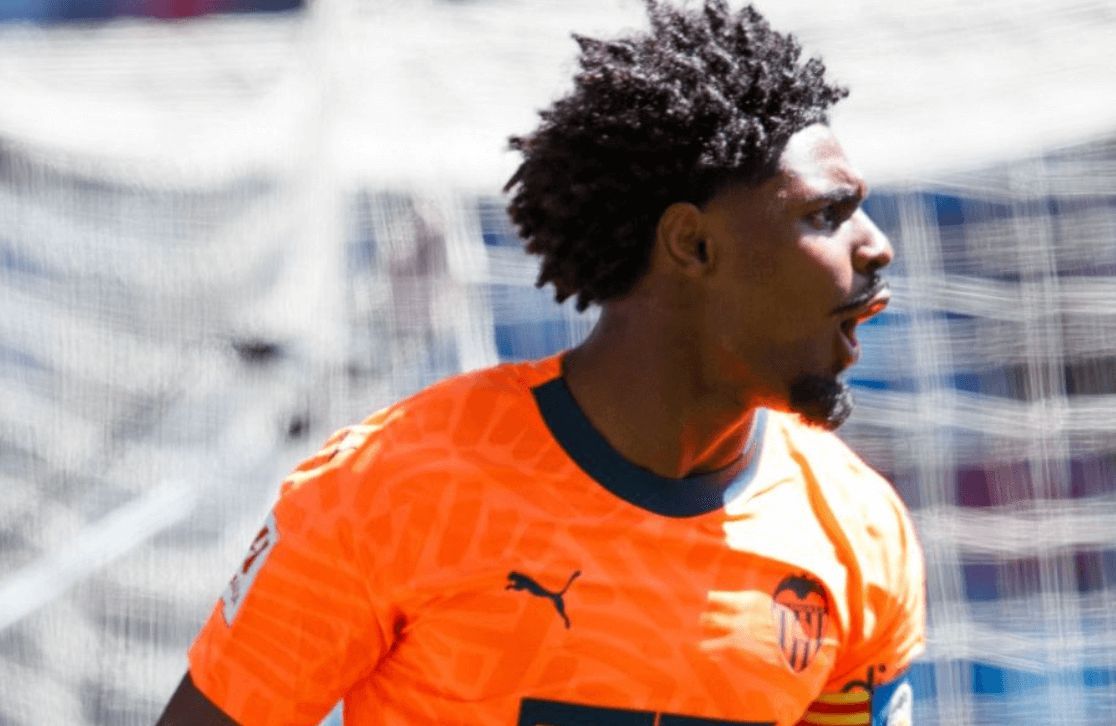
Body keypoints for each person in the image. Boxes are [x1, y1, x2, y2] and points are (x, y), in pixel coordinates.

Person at [158, 1, 924, 724]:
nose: (877, 245)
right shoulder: (394, 488)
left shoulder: (859, 531)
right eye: (827, 213)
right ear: (692, 244)